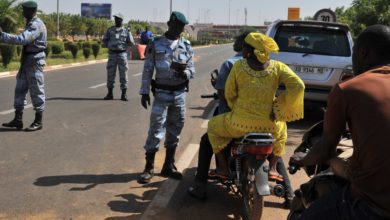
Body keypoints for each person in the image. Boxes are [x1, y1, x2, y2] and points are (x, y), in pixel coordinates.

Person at [289, 24, 390, 220]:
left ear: (363, 52)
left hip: (372, 205)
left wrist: (302, 160)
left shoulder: (348, 89)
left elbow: (325, 150)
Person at [188, 33, 302, 204]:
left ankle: (222, 168)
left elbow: (228, 93)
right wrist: (280, 107)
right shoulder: (278, 67)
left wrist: (238, 108)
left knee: (212, 128)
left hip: (239, 124)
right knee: (281, 133)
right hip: (269, 126)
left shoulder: (238, 66)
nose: (241, 49)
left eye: (244, 47)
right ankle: (273, 170)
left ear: (249, 51)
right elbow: (298, 85)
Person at [138, 11, 195, 184]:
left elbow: (192, 70)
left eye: (182, 27)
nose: (179, 30)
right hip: (161, 93)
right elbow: (148, 69)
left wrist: (184, 71)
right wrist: (144, 92)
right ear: (169, 24)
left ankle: (168, 166)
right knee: (155, 129)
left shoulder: (186, 45)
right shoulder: (156, 44)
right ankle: (149, 168)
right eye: (177, 26)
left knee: (175, 130)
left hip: (179, 94)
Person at [0, 1, 47, 132]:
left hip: (34, 61)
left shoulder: (36, 25)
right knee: (19, 90)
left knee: (36, 91)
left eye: (24, 10)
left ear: (31, 11)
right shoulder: (30, 23)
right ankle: (18, 120)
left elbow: (23, 39)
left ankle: (38, 121)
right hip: (26, 61)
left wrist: (2, 35)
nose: (22, 13)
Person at [102, 13, 135, 101]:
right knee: (110, 74)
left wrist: (124, 44)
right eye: (115, 18)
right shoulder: (110, 30)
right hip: (112, 54)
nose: (116, 20)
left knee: (123, 74)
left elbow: (131, 43)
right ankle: (110, 94)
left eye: (117, 19)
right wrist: (110, 45)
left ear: (121, 20)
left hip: (122, 54)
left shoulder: (126, 31)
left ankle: (124, 94)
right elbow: (104, 40)